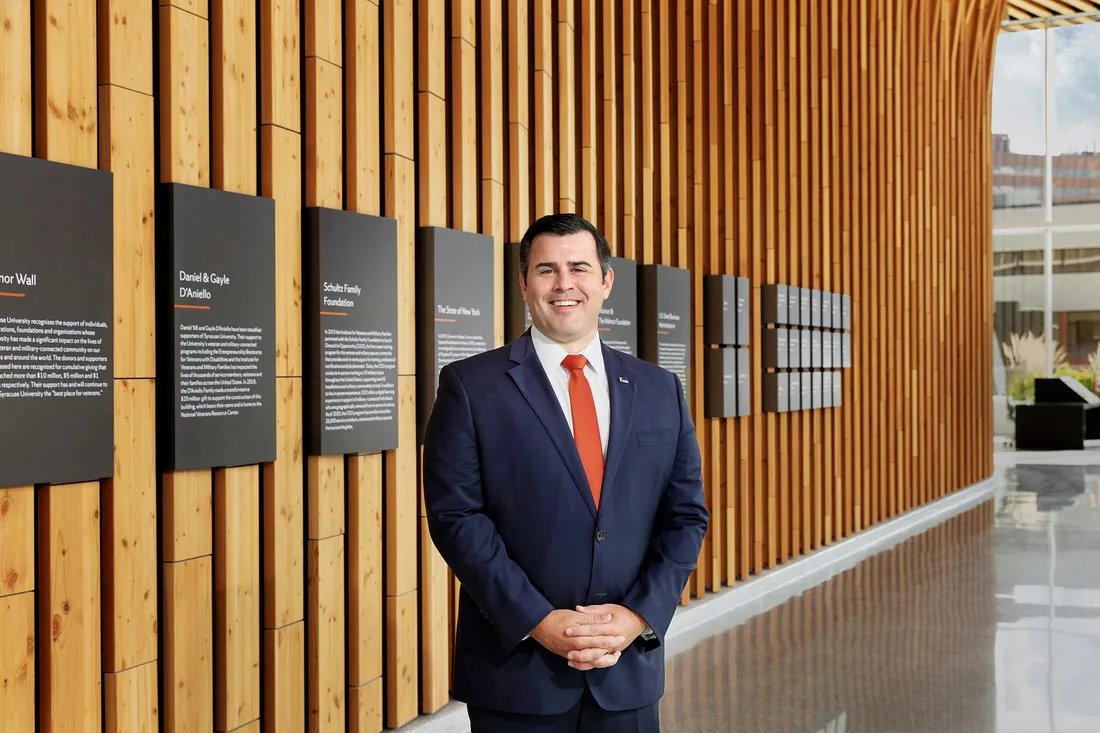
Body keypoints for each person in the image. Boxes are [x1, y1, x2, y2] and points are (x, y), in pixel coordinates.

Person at [421, 212, 709, 732]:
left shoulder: (659, 389)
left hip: (626, 669)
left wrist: (638, 616)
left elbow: (686, 516)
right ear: (524, 284)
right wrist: (539, 621)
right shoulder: (470, 386)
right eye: (546, 269)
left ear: (605, 281)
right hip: (516, 673)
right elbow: (456, 517)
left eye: (578, 267)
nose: (564, 284)